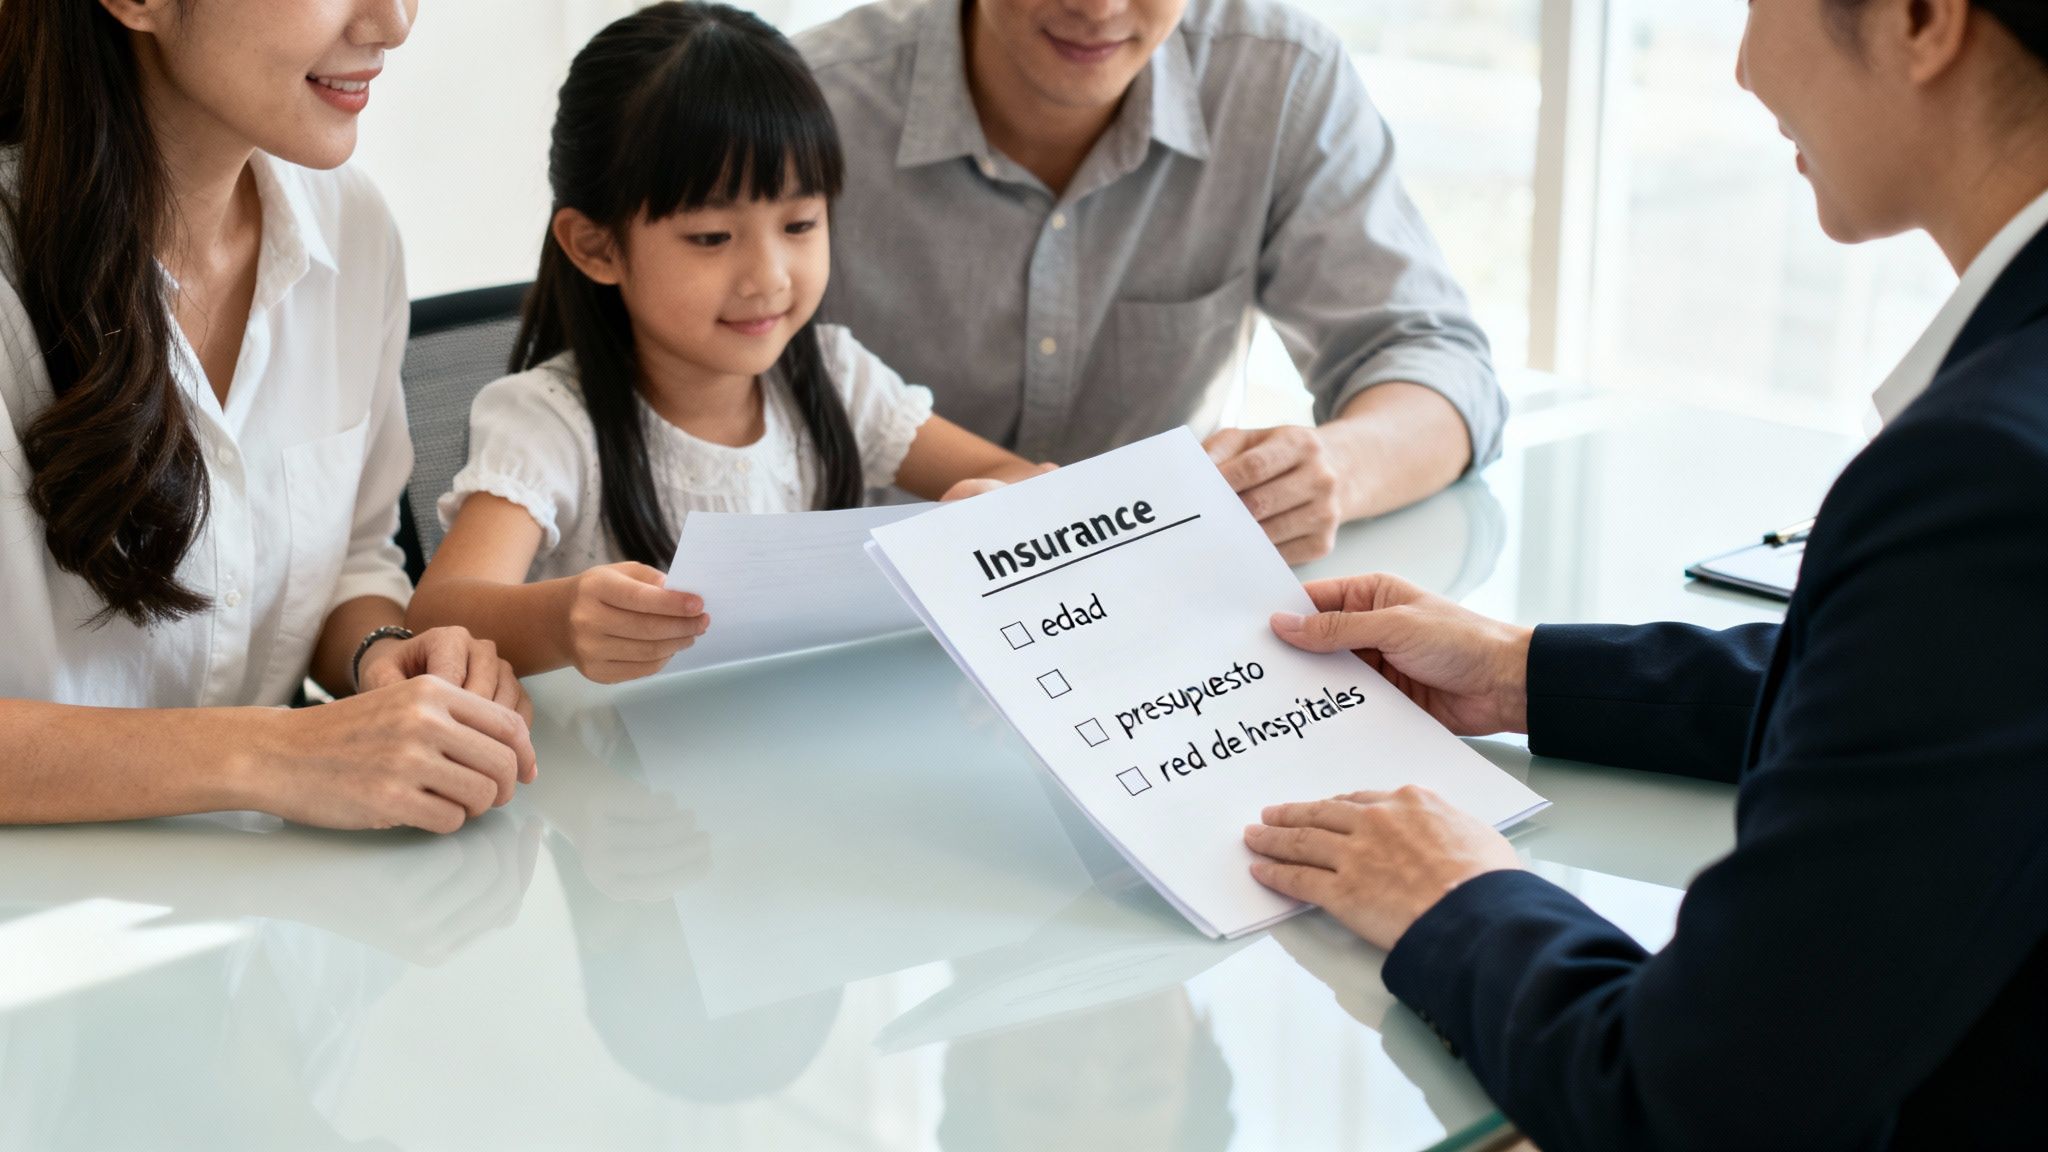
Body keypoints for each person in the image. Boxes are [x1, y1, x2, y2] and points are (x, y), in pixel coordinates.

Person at [1242, 1, 2048, 1147]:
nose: (1742, 67)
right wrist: (1523, 673)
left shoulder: (1980, 470)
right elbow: (1958, 694)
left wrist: (1456, 897)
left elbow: (1696, 1103)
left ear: (1920, 19)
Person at [0, 0, 534, 832]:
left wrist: (384, 655)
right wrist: (277, 754)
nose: (393, 23)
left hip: (267, 886)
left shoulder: (353, 229)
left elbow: (354, 560)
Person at [407, 2, 1049, 685]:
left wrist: (988, 507)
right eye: (712, 237)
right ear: (596, 246)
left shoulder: (838, 377)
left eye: (800, 225)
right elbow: (436, 617)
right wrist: (563, 619)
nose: (769, 277)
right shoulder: (550, 424)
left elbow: (1019, 477)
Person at [796, 0, 1506, 563]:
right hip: (874, 617)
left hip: (1166, 610)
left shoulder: (1280, 78)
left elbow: (1439, 365)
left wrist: (1336, 469)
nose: (1099, 8)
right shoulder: (811, 104)